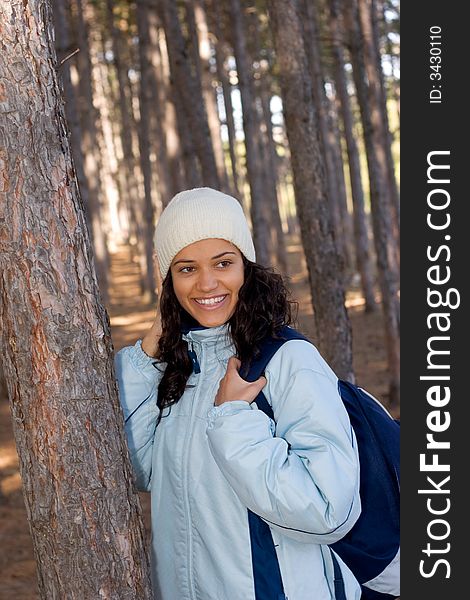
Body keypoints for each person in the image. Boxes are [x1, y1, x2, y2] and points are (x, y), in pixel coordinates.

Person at [114, 187, 362, 600]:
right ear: (168, 278)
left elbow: (327, 510)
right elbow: (141, 472)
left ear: (246, 267)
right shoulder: (180, 365)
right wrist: (145, 358)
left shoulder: (287, 360)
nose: (207, 283)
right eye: (187, 269)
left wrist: (233, 419)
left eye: (223, 263)